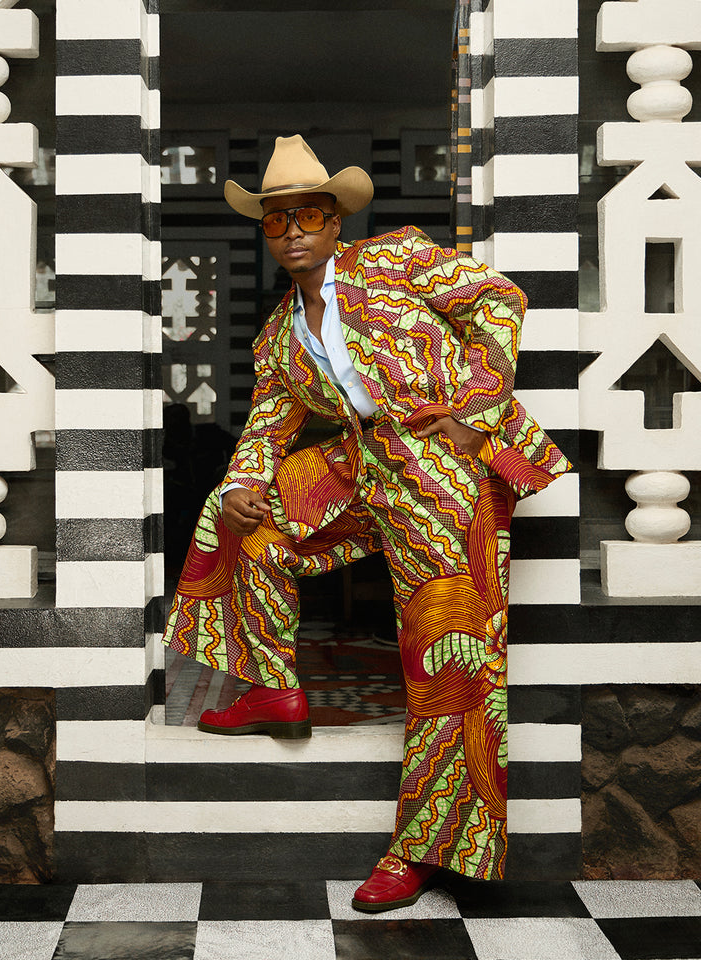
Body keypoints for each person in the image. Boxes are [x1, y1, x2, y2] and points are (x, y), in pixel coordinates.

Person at [163, 134, 571, 912]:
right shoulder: (283, 333)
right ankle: (271, 686)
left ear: (335, 221)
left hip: (443, 472)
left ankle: (421, 852)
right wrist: (248, 478)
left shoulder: (396, 261)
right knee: (237, 512)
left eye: (307, 215)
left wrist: (477, 412)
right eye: (276, 220)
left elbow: (501, 299)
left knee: (448, 658)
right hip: (367, 467)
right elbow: (271, 422)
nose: (292, 231)